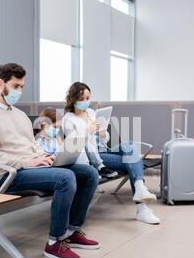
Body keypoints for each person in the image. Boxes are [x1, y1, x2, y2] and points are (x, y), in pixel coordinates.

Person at [0, 63, 101, 258]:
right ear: (0, 83)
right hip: (10, 175)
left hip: (34, 167)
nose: (19, 91)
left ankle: (71, 231)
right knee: (66, 178)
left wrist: (46, 157)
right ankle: (54, 242)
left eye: (22, 87)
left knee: (89, 173)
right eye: (16, 86)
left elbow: (33, 145)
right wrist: (28, 161)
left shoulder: (20, 115)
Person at [62, 82, 161, 225]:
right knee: (132, 162)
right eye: (81, 99)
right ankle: (142, 208)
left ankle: (139, 187)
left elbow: (103, 138)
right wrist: (88, 130)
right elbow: (74, 144)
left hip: (103, 149)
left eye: (88, 98)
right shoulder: (68, 119)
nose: (86, 102)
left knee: (129, 144)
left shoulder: (90, 112)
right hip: (92, 157)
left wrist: (103, 133)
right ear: (73, 99)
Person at [35, 108, 118, 180]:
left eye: (58, 128)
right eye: (55, 127)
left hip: (62, 164)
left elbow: (60, 153)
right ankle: (94, 169)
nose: (57, 130)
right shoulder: (37, 141)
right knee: (82, 140)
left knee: (82, 141)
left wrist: (62, 147)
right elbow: (40, 157)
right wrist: (51, 157)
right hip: (50, 168)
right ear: (44, 125)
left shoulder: (55, 139)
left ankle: (96, 168)